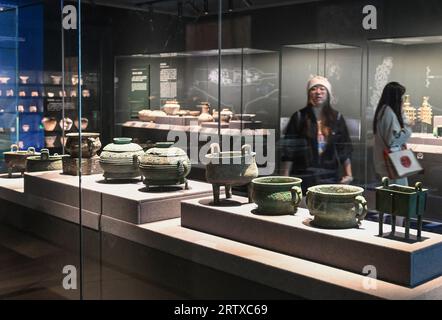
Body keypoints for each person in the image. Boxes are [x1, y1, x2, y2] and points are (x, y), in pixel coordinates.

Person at [281, 76, 353, 190]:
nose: (318, 92)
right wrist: (285, 177)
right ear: (309, 93)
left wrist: (348, 174)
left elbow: (344, 149)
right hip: (303, 176)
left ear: (328, 93)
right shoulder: (299, 117)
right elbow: (289, 151)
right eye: (313, 89)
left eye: (322, 89)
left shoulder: (337, 118)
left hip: (330, 176)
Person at [373, 81, 412, 186]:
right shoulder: (388, 113)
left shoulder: (383, 111)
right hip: (393, 164)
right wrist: (407, 128)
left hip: (387, 164)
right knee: (398, 196)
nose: (402, 100)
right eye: (401, 97)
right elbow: (394, 141)